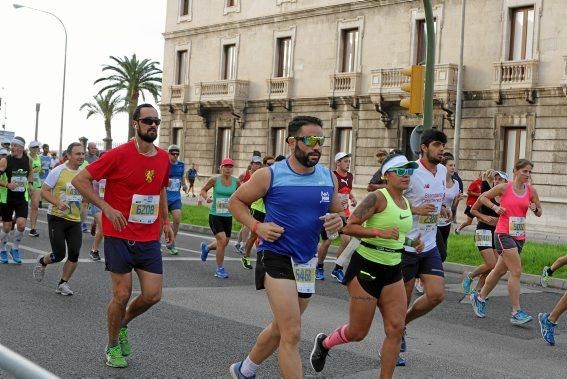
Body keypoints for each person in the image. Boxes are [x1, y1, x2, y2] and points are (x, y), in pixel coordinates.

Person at [227, 116, 343, 379]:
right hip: (276, 254)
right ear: (292, 142)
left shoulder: (327, 176)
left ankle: (244, 370)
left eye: (321, 141)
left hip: (306, 261)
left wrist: (340, 219)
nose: (317, 146)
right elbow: (236, 202)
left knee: (281, 327)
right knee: (292, 332)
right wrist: (257, 228)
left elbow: (337, 212)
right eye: (310, 140)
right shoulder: (269, 174)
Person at [72, 103, 174, 368]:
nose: (153, 125)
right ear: (135, 124)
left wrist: (166, 223)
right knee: (122, 294)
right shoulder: (118, 155)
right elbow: (80, 180)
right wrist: (105, 206)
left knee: (153, 295)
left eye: (157, 121)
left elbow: (160, 189)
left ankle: (124, 323)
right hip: (119, 235)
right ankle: (113, 345)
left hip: (149, 236)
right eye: (148, 120)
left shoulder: (163, 158)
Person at [310, 153, 422, 377]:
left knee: (396, 329)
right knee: (358, 332)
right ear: (387, 175)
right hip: (366, 268)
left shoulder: (406, 202)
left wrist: (412, 242)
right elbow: (349, 227)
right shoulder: (376, 198)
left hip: (393, 269)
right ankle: (325, 344)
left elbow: (396, 235)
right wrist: (378, 232)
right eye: (401, 171)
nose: (406, 176)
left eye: (409, 171)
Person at [400, 129, 450, 364]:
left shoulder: (441, 170)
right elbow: (389, 198)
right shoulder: (409, 170)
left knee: (436, 294)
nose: (442, 149)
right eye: (437, 145)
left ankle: (403, 323)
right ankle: (395, 337)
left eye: (443, 145)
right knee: (404, 298)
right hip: (407, 244)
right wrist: (415, 209)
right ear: (424, 147)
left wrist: (442, 208)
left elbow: (435, 198)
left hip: (429, 243)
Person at [470, 159, 542, 325]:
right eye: (525, 171)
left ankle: (479, 297)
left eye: (530, 172)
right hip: (503, 233)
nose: (528, 175)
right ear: (516, 171)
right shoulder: (504, 187)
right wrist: (495, 208)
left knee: (498, 271)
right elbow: (482, 198)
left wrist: (534, 208)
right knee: (516, 271)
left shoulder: (531, 191)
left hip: (519, 236)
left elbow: (539, 212)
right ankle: (516, 312)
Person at [32, 142, 85, 295]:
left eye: (82, 154)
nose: (81, 156)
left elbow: (85, 192)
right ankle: (42, 261)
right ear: (68, 155)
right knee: (59, 254)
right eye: (77, 154)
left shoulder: (83, 173)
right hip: (57, 217)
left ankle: (63, 283)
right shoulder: (58, 171)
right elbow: (45, 191)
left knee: (74, 253)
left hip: (74, 219)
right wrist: (57, 202)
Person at [462, 171, 508, 294]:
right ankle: (470, 276)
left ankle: (478, 290)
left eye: (500, 179)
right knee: (491, 264)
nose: (497, 181)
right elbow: (473, 210)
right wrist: (484, 217)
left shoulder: (506, 198)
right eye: (496, 179)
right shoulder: (487, 194)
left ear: (505, 183)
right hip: (483, 230)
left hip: (497, 232)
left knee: (495, 266)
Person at [316, 151, 357, 282]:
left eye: (349, 161)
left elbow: (348, 191)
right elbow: (327, 194)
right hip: (331, 214)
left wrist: (352, 198)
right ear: (337, 163)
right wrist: (337, 202)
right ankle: (320, 267)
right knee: (327, 241)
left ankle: (338, 268)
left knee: (346, 240)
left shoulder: (350, 176)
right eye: (345, 161)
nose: (348, 164)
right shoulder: (331, 176)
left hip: (344, 214)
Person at [199, 158, 239, 278]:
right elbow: (203, 190)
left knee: (224, 242)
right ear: (221, 167)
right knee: (222, 240)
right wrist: (207, 198)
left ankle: (207, 247)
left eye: (230, 166)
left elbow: (242, 193)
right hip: (215, 215)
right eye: (225, 166)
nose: (228, 168)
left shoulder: (236, 182)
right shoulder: (214, 180)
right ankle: (219, 269)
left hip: (228, 216)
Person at [0, 137, 33, 265]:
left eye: (15, 145)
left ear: (21, 148)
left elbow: (30, 173)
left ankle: (15, 248)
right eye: (11, 145)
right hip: (7, 198)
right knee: (7, 227)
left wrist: (29, 184)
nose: (12, 147)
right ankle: (2, 249)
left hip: (21, 198)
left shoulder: (28, 159)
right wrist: (6, 184)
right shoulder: (5, 160)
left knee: (21, 224)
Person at [241, 155, 275, 270]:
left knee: (268, 236)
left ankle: (265, 258)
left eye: (273, 164)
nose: (272, 166)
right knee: (254, 235)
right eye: (269, 164)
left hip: (269, 211)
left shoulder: (275, 176)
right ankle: (246, 257)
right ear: (265, 164)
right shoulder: (261, 176)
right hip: (258, 209)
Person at [435, 155, 461, 262]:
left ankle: (435, 272)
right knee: (441, 253)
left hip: (446, 222)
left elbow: (453, 207)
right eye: (450, 165)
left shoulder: (456, 183)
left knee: (443, 250)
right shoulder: (437, 181)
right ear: (443, 167)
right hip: (435, 222)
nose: (453, 168)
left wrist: (457, 201)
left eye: (454, 165)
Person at [235, 155, 262, 254]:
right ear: (251, 164)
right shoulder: (245, 174)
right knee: (247, 224)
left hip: (255, 202)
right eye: (256, 163)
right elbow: (236, 184)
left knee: (245, 224)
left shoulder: (261, 175)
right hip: (245, 201)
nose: (257, 165)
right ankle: (243, 244)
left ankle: (238, 243)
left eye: (259, 163)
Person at [164, 144, 187, 255]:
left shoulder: (181, 165)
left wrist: (184, 184)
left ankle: (171, 243)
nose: (175, 156)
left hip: (176, 197)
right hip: (164, 197)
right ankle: (156, 244)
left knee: (177, 219)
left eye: (177, 154)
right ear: (168, 154)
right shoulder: (164, 164)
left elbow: (182, 177)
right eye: (173, 154)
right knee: (162, 223)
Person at [28, 141, 43, 237]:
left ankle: (33, 228)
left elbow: (39, 171)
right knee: (21, 205)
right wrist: (34, 170)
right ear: (30, 148)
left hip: (37, 184)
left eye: (37, 147)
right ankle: (14, 219)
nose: (36, 149)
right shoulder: (26, 157)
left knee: (35, 206)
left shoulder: (38, 157)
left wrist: (40, 171)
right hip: (25, 184)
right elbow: (27, 171)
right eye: (34, 147)